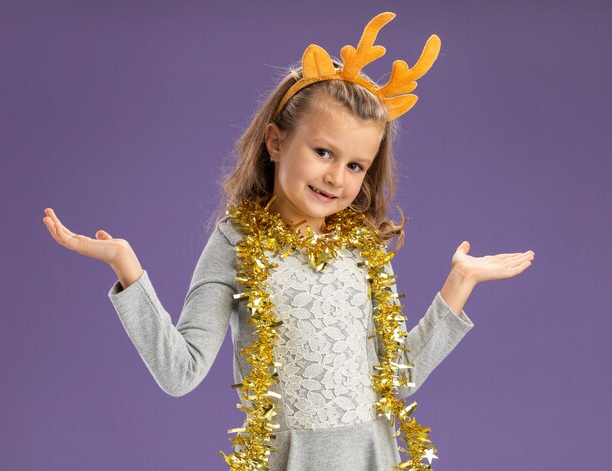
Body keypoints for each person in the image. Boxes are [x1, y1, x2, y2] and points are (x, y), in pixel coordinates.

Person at [42, 11, 535, 471]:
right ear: (276, 142)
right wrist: (128, 270)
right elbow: (181, 372)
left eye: (355, 165)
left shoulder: (361, 249)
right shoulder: (237, 241)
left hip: (374, 457)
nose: (336, 177)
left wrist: (459, 283)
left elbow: (395, 379)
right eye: (323, 151)